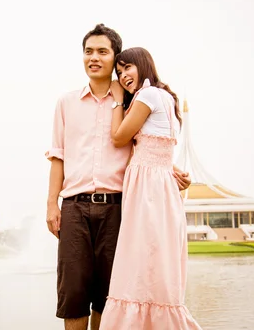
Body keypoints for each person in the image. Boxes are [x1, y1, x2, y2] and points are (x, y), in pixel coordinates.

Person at [45, 24, 192, 330]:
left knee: (110, 295)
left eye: (102, 52)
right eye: (88, 52)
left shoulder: (132, 102)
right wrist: (51, 205)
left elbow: (146, 148)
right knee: (72, 294)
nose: (94, 58)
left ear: (115, 58)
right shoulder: (66, 102)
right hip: (74, 207)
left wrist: (170, 171)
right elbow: (57, 155)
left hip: (118, 209)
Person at [98, 47, 202, 329]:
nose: (123, 76)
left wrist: (118, 100)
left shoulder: (147, 95)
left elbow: (119, 138)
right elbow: (159, 148)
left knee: (139, 260)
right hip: (160, 185)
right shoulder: (165, 97)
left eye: (127, 68)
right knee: (155, 260)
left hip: (148, 189)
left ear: (143, 65)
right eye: (119, 73)